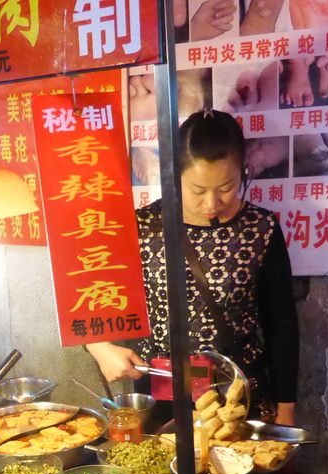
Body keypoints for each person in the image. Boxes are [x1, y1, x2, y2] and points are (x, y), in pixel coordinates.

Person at [86, 109, 299, 425]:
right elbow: (90, 298)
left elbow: (281, 324)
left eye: (226, 187)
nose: (212, 203)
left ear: (243, 170)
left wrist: (286, 409)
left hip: (236, 393)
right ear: (174, 175)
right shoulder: (141, 227)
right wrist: (101, 349)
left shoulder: (260, 228)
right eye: (198, 190)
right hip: (158, 392)